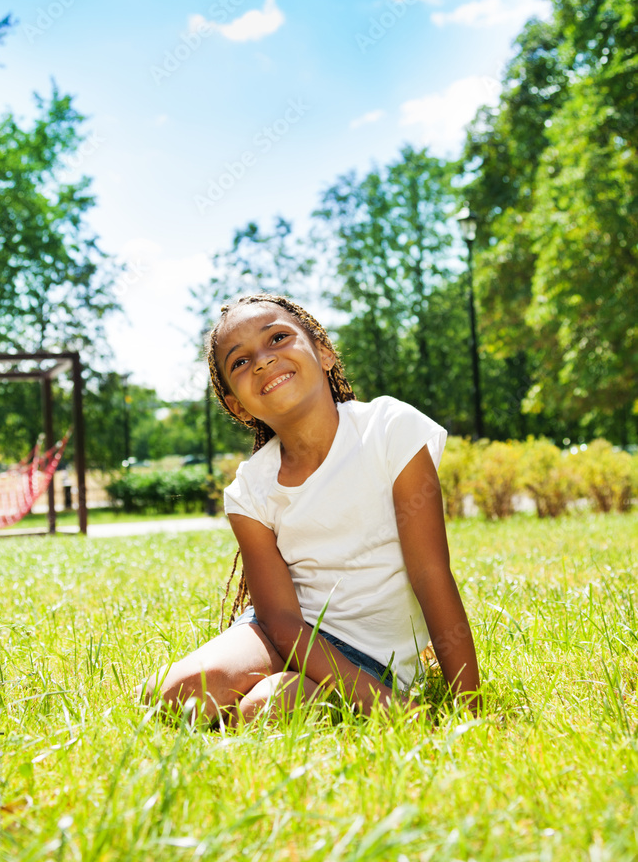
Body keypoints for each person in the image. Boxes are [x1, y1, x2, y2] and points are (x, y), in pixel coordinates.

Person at [138, 293, 480, 724]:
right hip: (281, 633)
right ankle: (259, 689)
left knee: (265, 707)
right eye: (240, 362)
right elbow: (280, 620)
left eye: (278, 338)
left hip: (371, 656)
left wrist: (469, 710)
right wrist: (393, 714)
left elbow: (431, 574)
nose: (262, 361)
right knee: (172, 695)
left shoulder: (390, 428)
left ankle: (287, 696)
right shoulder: (249, 489)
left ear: (324, 351)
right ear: (236, 406)